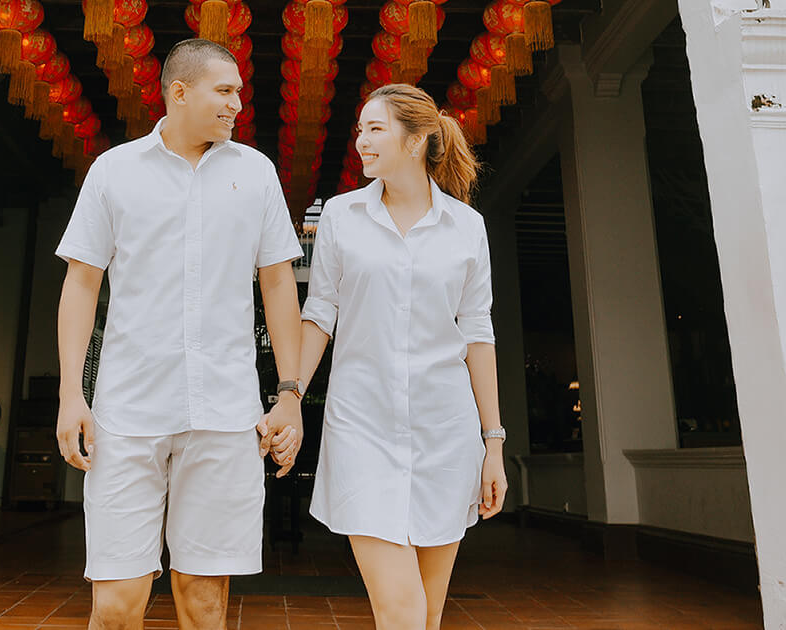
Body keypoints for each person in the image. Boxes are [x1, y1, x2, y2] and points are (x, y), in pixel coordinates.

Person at [56, 37, 307, 630]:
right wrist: (73, 393)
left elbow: (278, 286)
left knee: (204, 600)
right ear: (179, 92)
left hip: (224, 413)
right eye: (224, 92)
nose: (236, 106)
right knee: (116, 605)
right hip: (127, 411)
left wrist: (290, 395)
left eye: (239, 94)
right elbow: (82, 283)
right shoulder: (113, 171)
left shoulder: (257, 173)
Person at [275, 83, 506, 630]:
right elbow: (320, 313)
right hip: (363, 428)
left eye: (374, 129)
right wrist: (291, 396)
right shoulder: (342, 216)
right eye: (360, 130)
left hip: (447, 434)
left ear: (418, 139)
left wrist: (492, 444)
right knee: (402, 612)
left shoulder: (466, 227)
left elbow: (478, 334)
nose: (361, 142)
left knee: (427, 616)